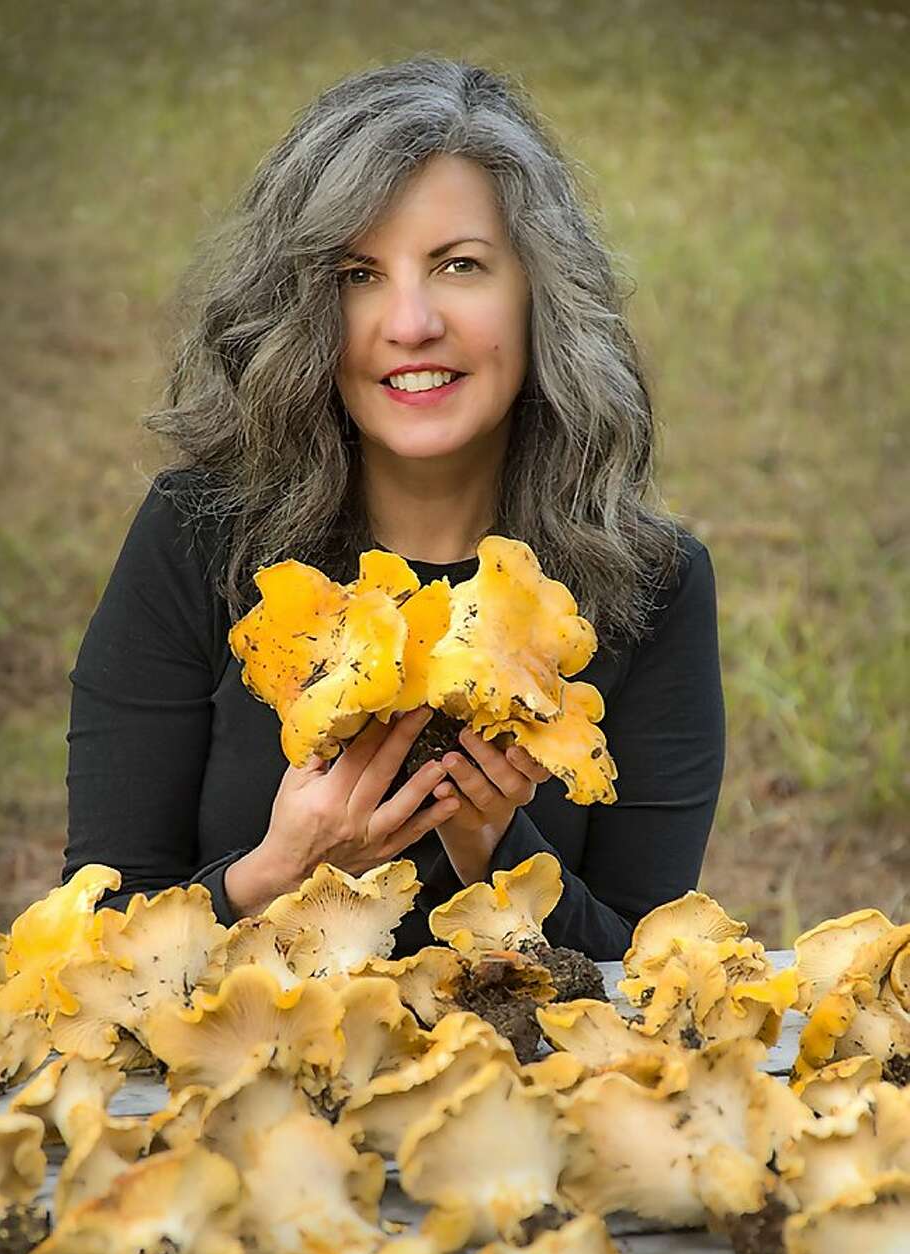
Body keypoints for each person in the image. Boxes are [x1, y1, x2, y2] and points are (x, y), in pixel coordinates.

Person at [63, 57, 725, 961]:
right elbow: (96, 934)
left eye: (459, 265)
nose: (409, 322)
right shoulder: (198, 535)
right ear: (303, 308)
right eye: (358, 273)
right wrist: (274, 871)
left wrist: (496, 847)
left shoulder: (649, 582)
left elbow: (654, 978)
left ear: (540, 293)